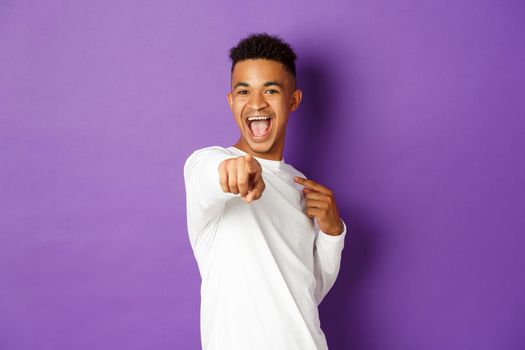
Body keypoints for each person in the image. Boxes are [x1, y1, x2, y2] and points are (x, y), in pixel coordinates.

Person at [183, 33, 348, 350]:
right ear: (232, 101)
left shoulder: (300, 185)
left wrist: (331, 232)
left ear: (293, 100)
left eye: (270, 90)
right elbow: (212, 175)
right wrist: (234, 173)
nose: (256, 103)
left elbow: (305, 293)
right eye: (244, 91)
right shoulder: (207, 162)